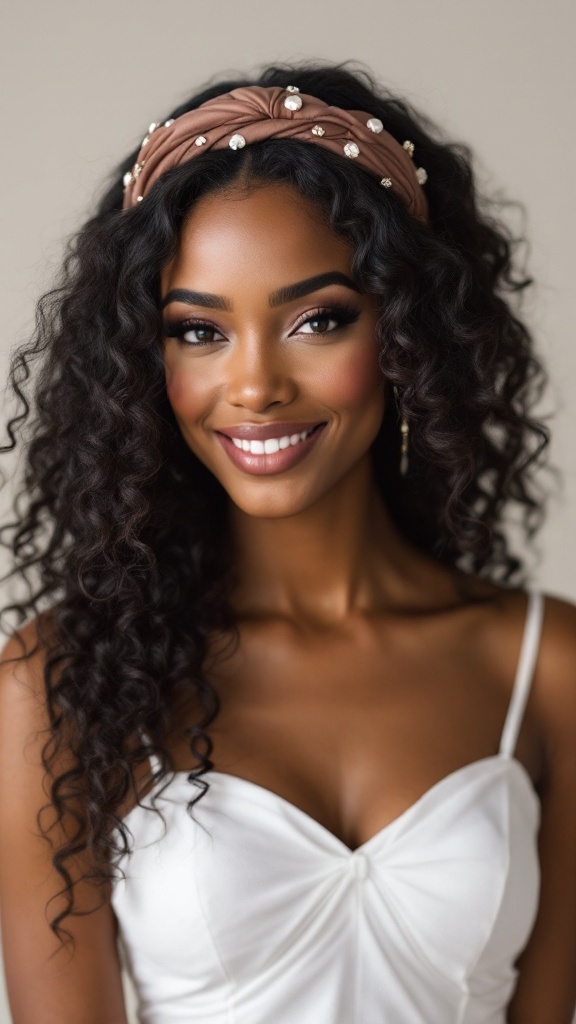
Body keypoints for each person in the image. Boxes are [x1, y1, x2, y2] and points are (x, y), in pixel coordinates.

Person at [0, 59, 574, 1024]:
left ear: (407, 332)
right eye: (198, 332)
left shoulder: (546, 670)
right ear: (148, 363)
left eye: (318, 319)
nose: (256, 386)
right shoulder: (54, 688)